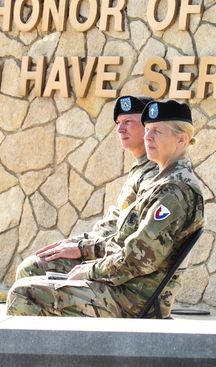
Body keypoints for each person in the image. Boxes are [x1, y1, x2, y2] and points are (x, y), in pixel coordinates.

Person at [6, 99, 205, 318]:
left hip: (133, 298)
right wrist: (85, 249)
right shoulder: (162, 181)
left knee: (25, 294)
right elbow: (124, 239)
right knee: (32, 277)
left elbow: (138, 258)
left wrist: (88, 271)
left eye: (157, 131)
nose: (148, 137)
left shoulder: (173, 190)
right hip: (124, 286)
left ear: (181, 139)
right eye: (147, 129)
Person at [15, 95, 158, 279]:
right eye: (118, 122)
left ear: (148, 127)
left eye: (128, 122)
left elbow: (130, 237)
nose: (120, 129)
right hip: (106, 253)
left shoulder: (153, 173)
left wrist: (82, 249)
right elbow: (115, 222)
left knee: (32, 270)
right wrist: (78, 242)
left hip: (119, 268)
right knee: (38, 262)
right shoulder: (141, 167)